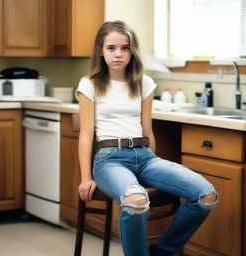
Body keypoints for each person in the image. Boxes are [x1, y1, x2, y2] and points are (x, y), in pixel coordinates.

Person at [76, 20, 218, 256]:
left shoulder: (144, 83)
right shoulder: (89, 84)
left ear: (132, 51)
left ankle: (161, 251)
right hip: (109, 159)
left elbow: (148, 131)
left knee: (206, 195)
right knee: (136, 201)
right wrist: (85, 177)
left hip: (145, 156)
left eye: (125, 48)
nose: (118, 54)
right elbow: (86, 134)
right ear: (101, 50)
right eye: (111, 48)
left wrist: (152, 165)